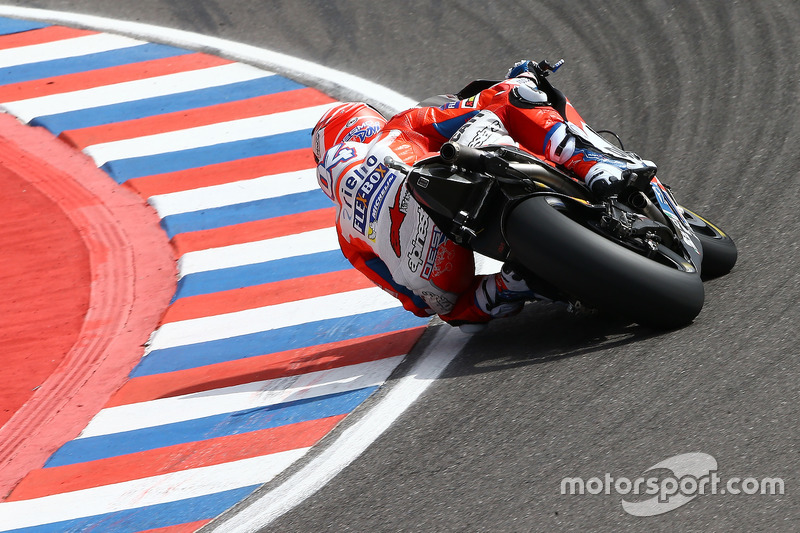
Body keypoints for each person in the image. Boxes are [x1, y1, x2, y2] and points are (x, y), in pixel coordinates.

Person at [312, 60, 656, 328]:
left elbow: (415, 304)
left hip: (434, 269)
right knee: (509, 98)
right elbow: (481, 106)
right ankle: (588, 161)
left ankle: (506, 288)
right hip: (440, 191)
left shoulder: (345, 234)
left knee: (448, 310)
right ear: (366, 127)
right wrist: (523, 78)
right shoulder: (399, 128)